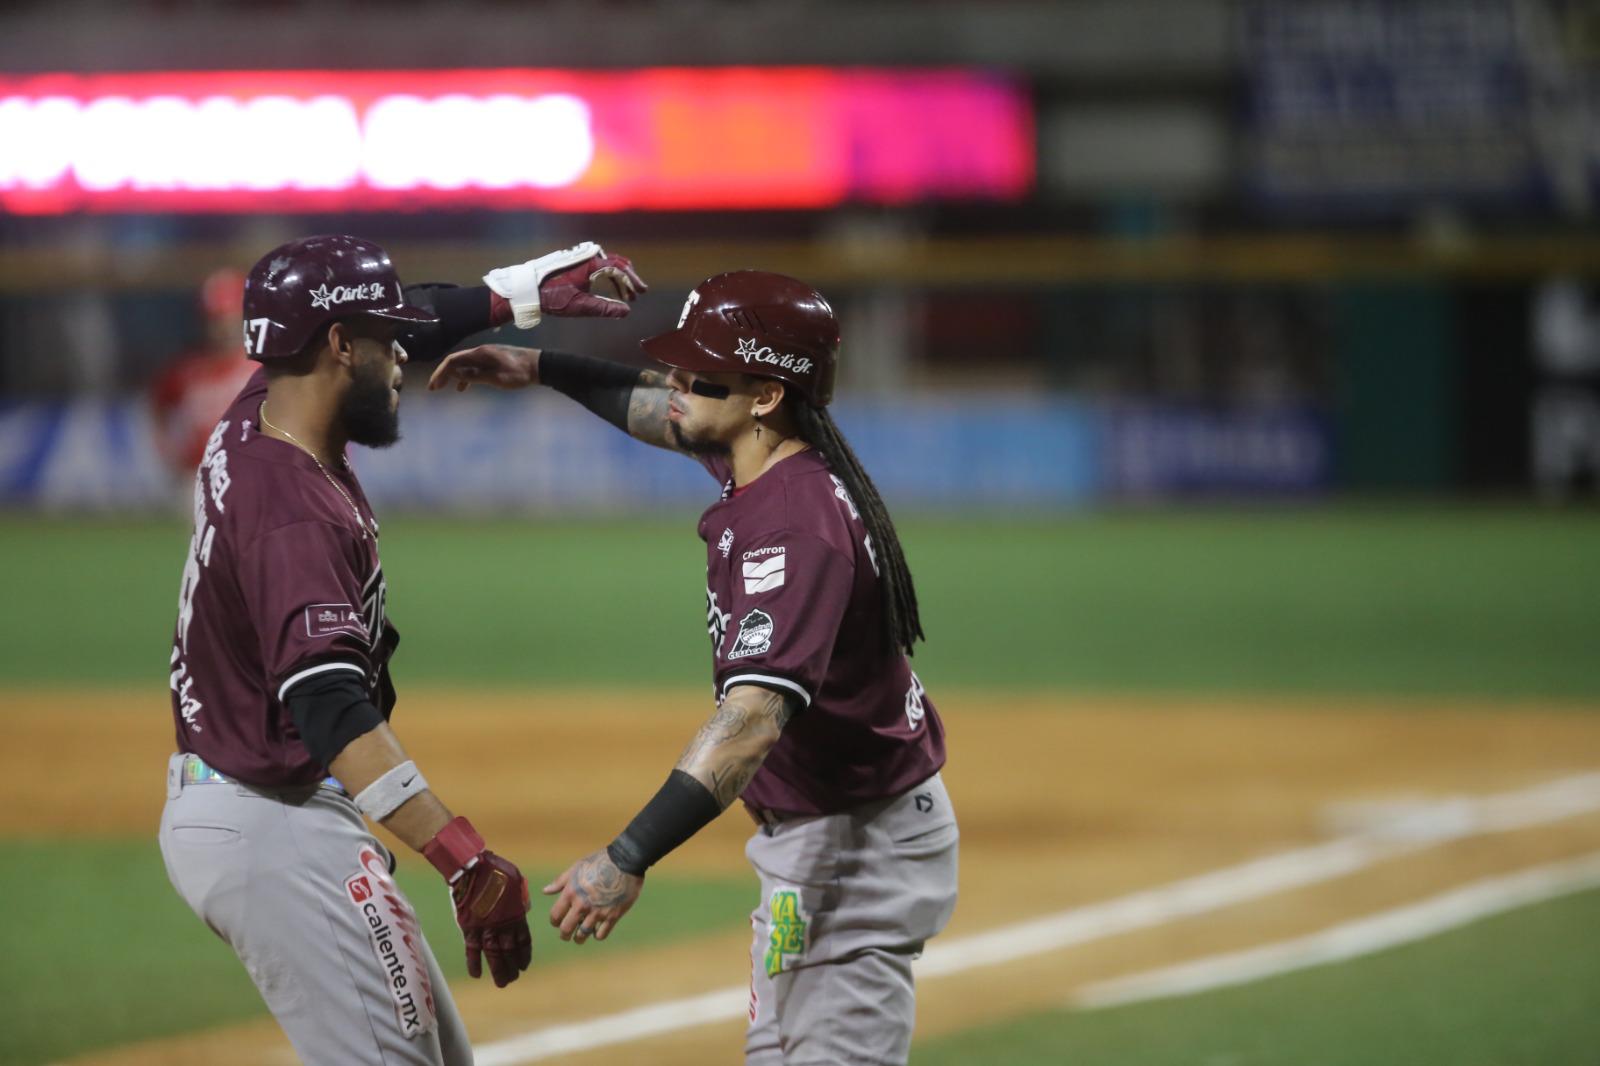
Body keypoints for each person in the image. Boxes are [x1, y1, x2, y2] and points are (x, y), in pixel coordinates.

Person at [428, 270, 958, 1065]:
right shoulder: (766, 454)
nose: (674, 381)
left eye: (698, 370)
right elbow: (653, 407)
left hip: (856, 850)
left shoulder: (792, 527)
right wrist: (537, 366)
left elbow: (747, 724)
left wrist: (626, 856)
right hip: (824, 841)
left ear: (765, 397)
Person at [160, 234, 645, 1065]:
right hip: (273, 825)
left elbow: (419, 313)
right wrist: (463, 859)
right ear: (341, 347)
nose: (404, 358)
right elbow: (328, 706)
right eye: (385, 342)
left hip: (259, 808)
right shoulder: (293, 513)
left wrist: (520, 292)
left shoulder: (262, 407)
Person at [148, 267, 255, 480]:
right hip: (198, 474)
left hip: (250, 472)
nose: (222, 327)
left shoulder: (263, 367)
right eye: (215, 319)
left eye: (228, 318)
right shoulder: (187, 370)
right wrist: (170, 451)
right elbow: (158, 407)